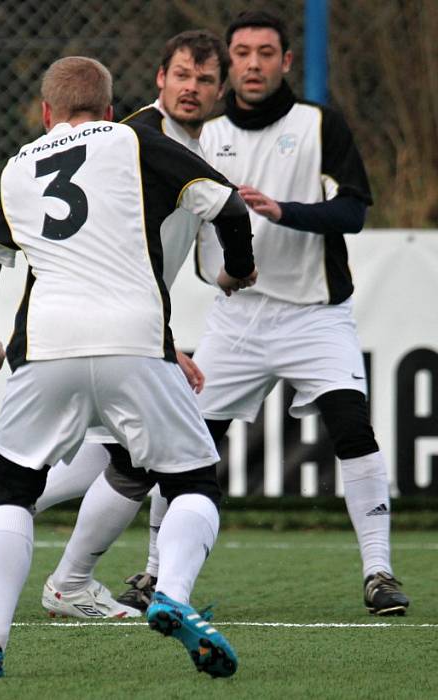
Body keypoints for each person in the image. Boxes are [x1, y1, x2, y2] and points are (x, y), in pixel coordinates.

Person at [0, 55, 256, 680]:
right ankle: (170, 588)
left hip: (45, 343)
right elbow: (228, 208)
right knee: (192, 482)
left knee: (14, 490)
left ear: (45, 113)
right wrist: (239, 267)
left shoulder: (18, 165)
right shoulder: (135, 141)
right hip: (133, 338)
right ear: (112, 108)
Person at [121, 9, 409, 617]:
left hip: (315, 316)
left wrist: (284, 211)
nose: (254, 64)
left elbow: (353, 212)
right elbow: (198, 248)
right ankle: (151, 573)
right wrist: (223, 274)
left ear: (284, 61)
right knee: (186, 445)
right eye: (243, 54)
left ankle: (379, 572)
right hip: (238, 320)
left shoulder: (319, 124)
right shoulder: (205, 136)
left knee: (353, 430)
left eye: (266, 52)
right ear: (228, 68)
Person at [32, 30, 235, 619]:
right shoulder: (137, 142)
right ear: (159, 79)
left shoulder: (193, 147)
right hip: (108, 325)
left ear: (217, 89)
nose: (191, 88)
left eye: (202, 79)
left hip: (111, 323)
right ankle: (79, 579)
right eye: (181, 76)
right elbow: (117, 248)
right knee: (144, 461)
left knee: (119, 457)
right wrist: (164, 343)